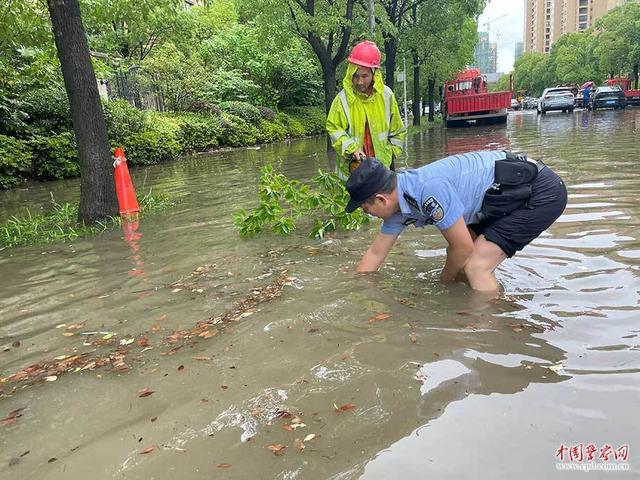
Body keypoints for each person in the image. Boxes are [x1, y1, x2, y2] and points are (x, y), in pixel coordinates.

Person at [345, 151, 567, 292]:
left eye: (366, 208)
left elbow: (461, 248)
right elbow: (375, 253)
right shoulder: (399, 205)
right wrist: (358, 291)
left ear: (381, 199)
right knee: (470, 264)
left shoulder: (427, 190)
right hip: (503, 198)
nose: (366, 213)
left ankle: (491, 332)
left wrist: (444, 282)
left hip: (538, 191)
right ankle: (490, 301)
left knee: (476, 267)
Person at [326, 40, 406, 178]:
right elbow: (334, 128)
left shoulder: (386, 96)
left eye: (365, 76)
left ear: (374, 73)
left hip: (381, 171)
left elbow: (398, 131)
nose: (359, 81)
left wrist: (391, 153)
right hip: (352, 173)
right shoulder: (342, 99)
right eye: (355, 76)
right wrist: (352, 150)